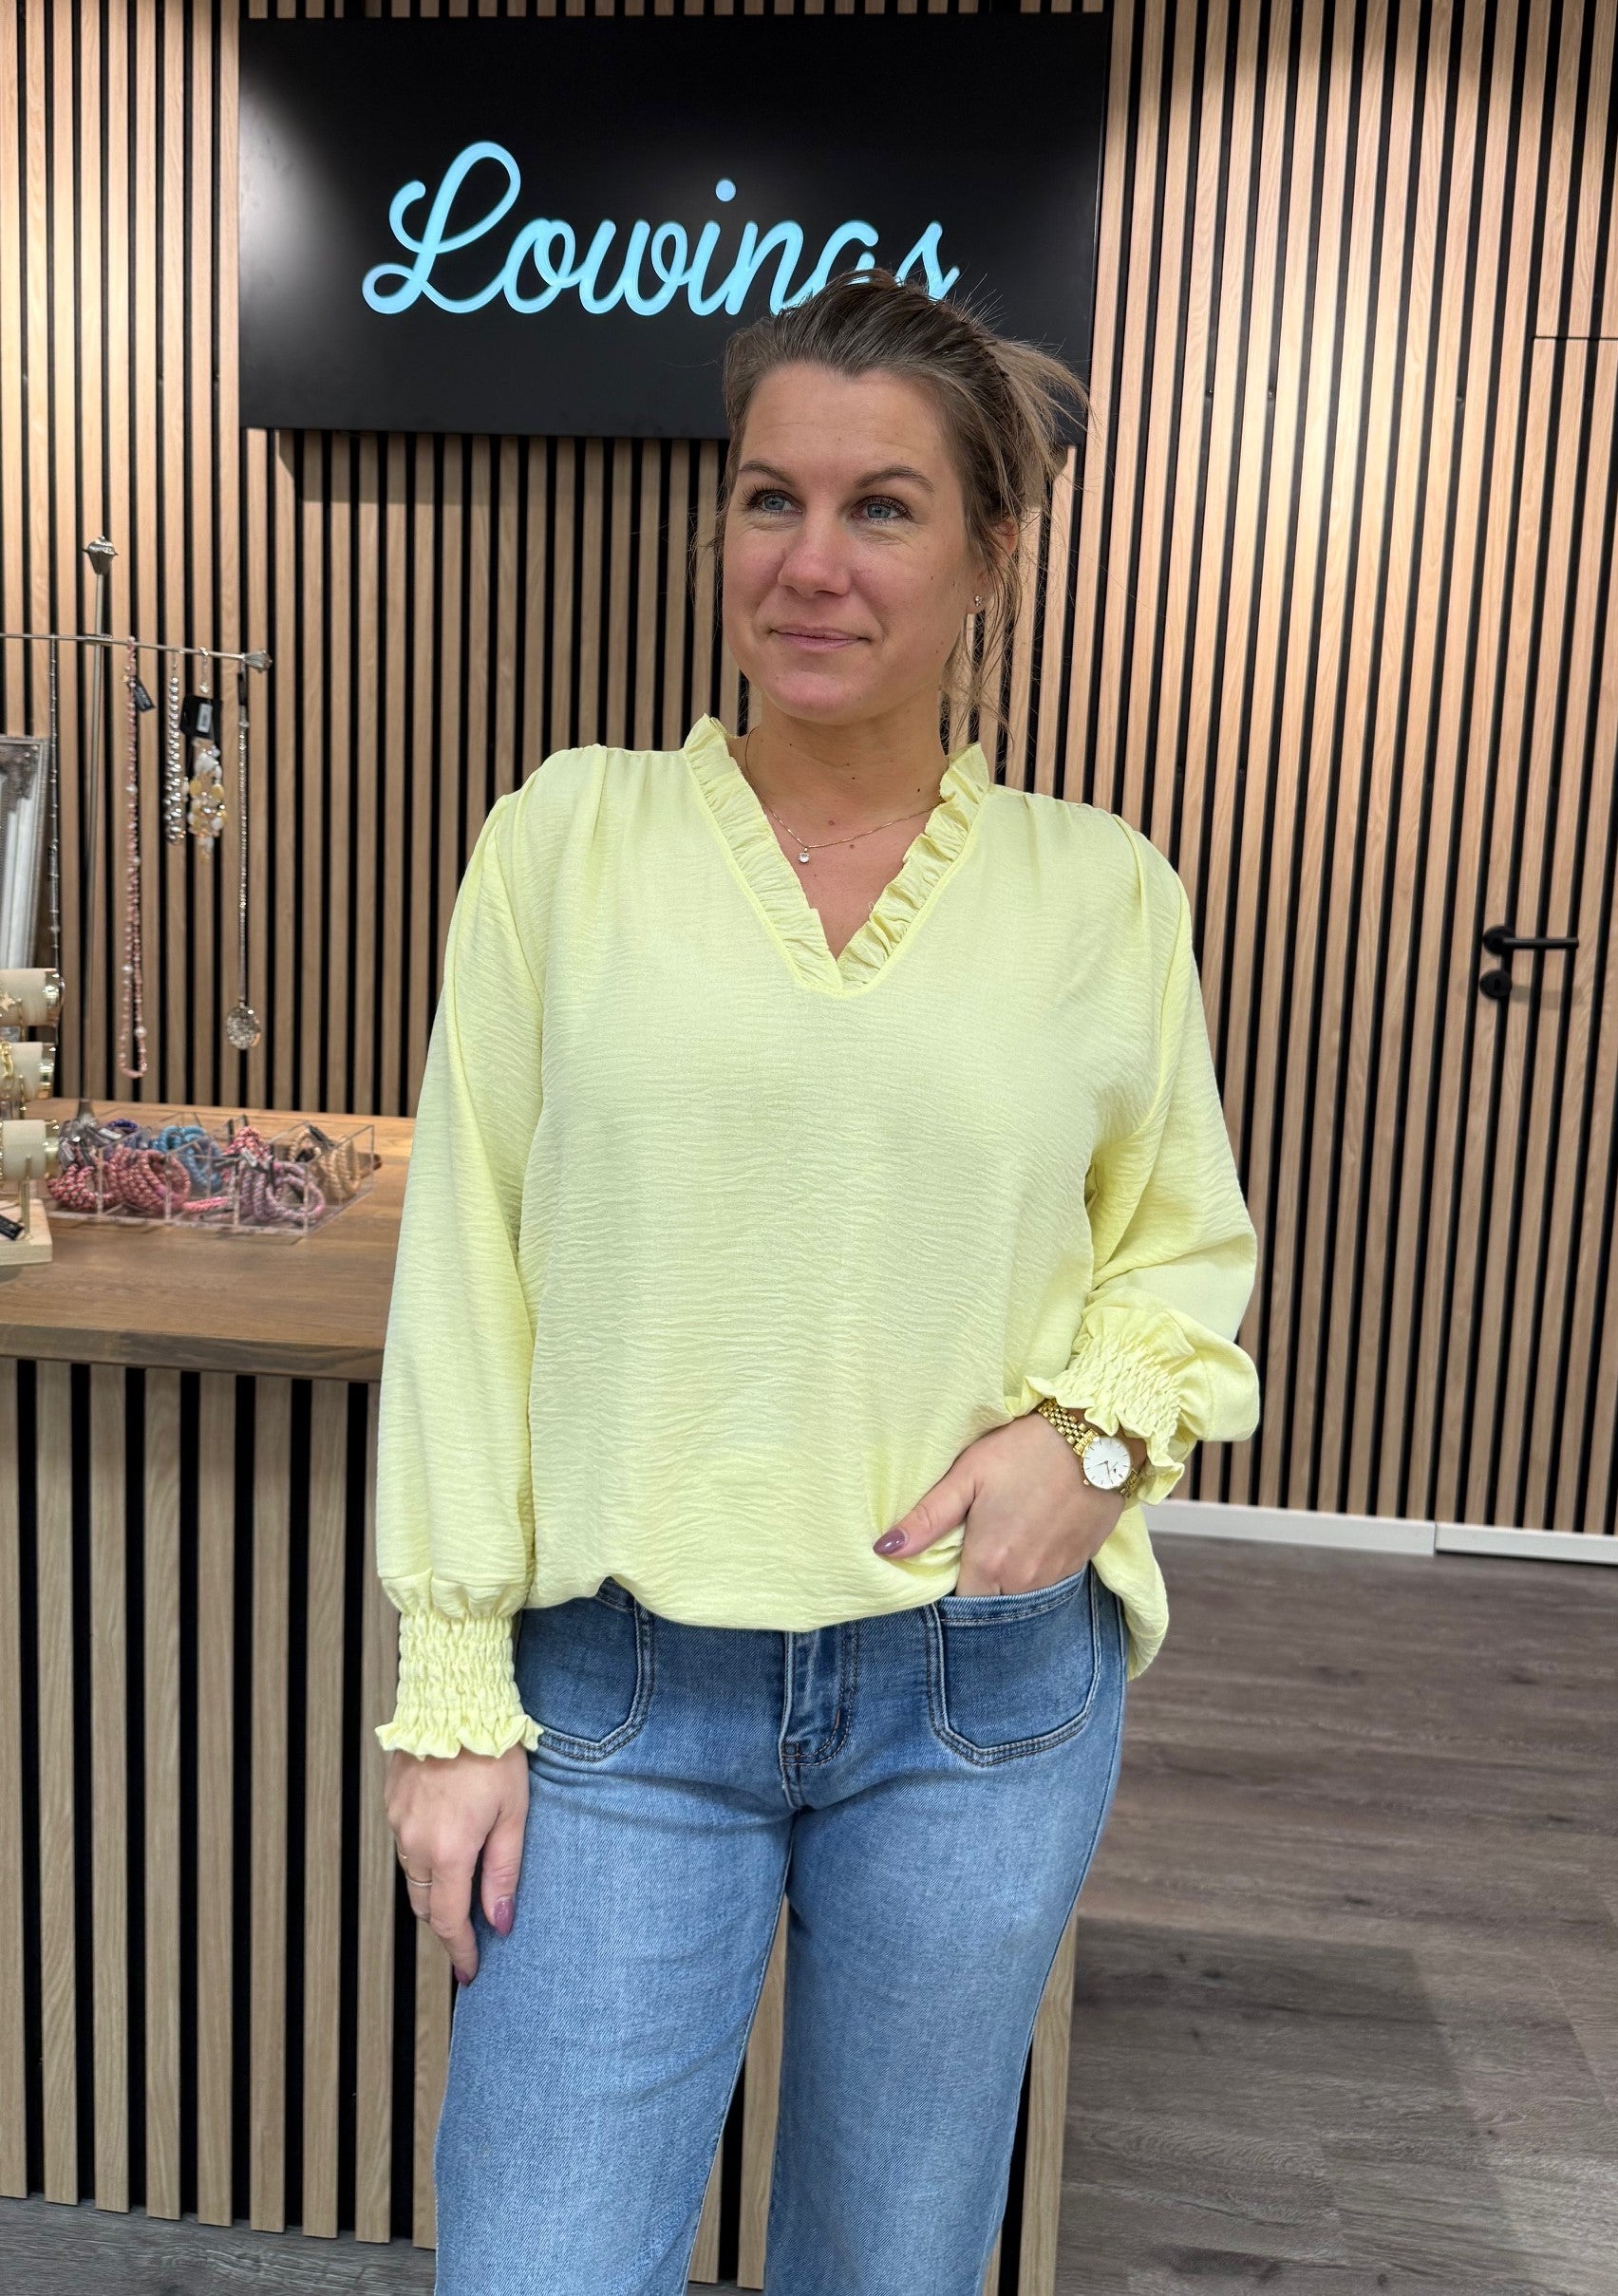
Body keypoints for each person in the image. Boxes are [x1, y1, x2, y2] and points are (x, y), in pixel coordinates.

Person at [373, 270, 1262, 2296]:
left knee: (891, 2258)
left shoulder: (1103, 892)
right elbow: (466, 1278)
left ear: (989, 556)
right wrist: (452, 1690)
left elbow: (1186, 1249)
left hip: (973, 1700)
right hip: (615, 1700)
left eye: (883, 508)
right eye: (771, 497)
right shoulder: (566, 840)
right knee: (536, 2261)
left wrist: (1093, 1445)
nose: (811, 561)